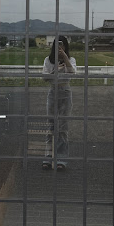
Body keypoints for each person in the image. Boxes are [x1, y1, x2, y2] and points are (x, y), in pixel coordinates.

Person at [42, 36, 76, 171]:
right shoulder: (48, 60)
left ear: (66, 47)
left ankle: (61, 159)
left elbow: (73, 73)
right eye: (58, 45)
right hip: (53, 92)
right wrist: (55, 68)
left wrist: (65, 58)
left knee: (62, 126)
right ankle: (48, 157)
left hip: (65, 92)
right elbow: (45, 77)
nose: (60, 48)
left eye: (62, 45)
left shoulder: (71, 60)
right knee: (50, 125)